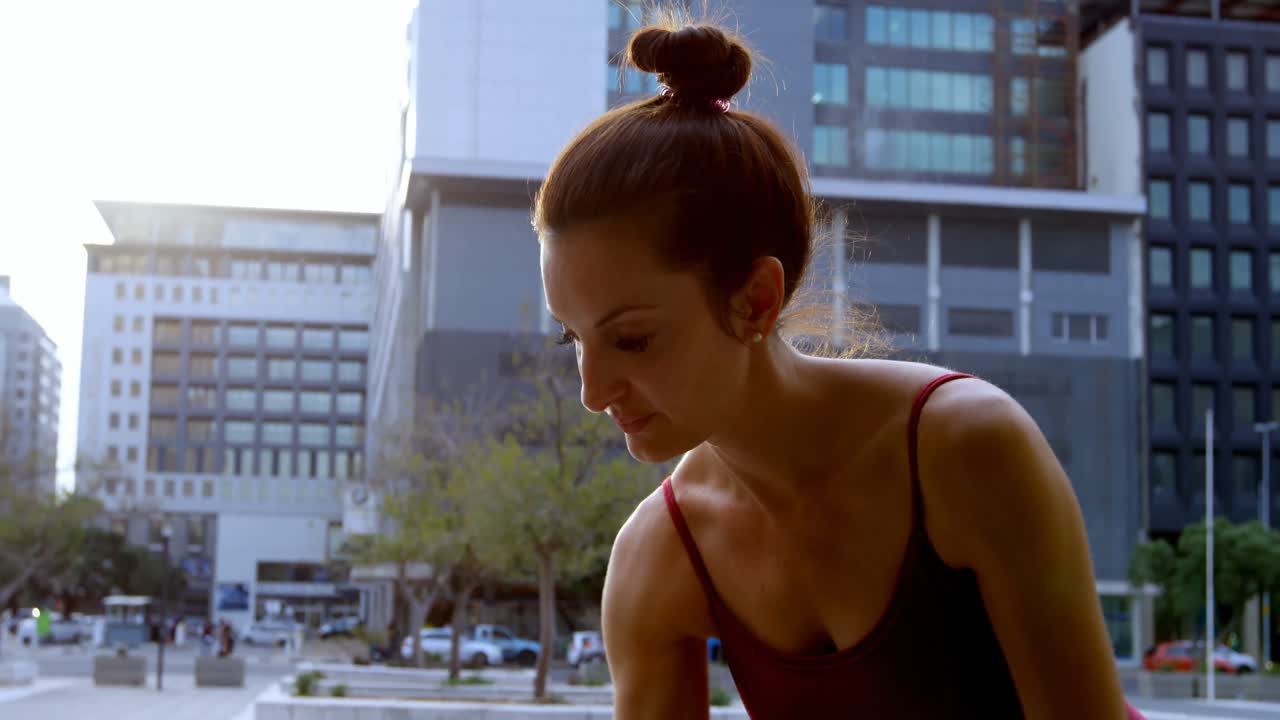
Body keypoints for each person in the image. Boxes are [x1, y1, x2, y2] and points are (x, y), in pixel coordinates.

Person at [533, 11, 1145, 720]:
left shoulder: (967, 453)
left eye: (633, 340)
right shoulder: (658, 559)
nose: (591, 391)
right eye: (571, 340)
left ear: (756, 301)